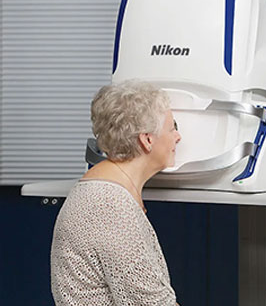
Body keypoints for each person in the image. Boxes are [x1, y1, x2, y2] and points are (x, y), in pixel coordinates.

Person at [51, 81, 182, 306]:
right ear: (147, 140)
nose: (178, 137)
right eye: (172, 128)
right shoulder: (109, 207)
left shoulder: (105, 191)